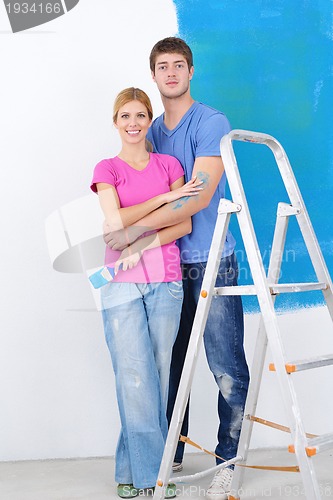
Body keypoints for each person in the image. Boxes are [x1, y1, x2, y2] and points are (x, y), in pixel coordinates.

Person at [104, 38, 250, 500]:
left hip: (209, 259)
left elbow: (199, 197)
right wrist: (135, 229)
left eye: (179, 66)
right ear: (153, 75)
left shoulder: (211, 122)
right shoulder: (148, 133)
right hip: (164, 267)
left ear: (191, 71)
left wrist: (132, 231)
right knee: (167, 367)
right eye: (162, 67)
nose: (171, 73)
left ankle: (229, 459)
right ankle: (172, 454)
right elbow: (133, 192)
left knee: (225, 365)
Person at [90, 87, 203, 498]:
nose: (134, 124)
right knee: (133, 376)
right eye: (125, 116)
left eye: (140, 116)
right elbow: (114, 219)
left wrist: (138, 242)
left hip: (166, 279)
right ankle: (152, 478)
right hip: (120, 283)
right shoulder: (107, 169)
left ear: (149, 119)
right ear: (116, 121)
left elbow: (184, 225)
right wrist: (165, 197)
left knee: (156, 374)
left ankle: (129, 468)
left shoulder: (169, 162)